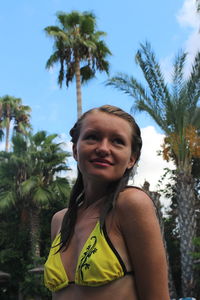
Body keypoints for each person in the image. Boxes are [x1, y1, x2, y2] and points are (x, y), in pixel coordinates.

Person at [44, 104, 170, 300]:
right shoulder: (60, 220)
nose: (103, 148)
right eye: (92, 137)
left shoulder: (131, 204)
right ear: (75, 150)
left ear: (131, 159)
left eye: (117, 141)